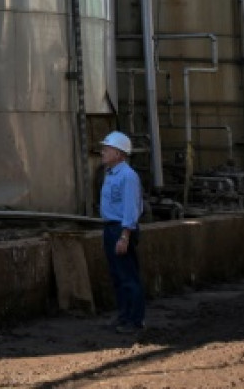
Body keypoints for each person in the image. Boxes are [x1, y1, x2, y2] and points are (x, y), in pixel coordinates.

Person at [99, 131, 145, 334]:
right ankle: (124, 316)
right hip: (111, 227)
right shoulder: (110, 174)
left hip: (121, 228)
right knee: (118, 276)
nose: (102, 152)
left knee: (128, 276)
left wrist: (125, 235)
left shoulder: (128, 176)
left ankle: (135, 320)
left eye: (107, 149)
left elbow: (130, 208)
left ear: (119, 153)